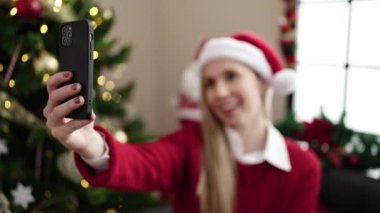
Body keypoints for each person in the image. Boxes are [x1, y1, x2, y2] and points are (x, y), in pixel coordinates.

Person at [43, 31, 321, 213]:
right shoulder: (192, 143)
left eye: (231, 76)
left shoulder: (303, 167)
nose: (219, 92)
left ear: (262, 83)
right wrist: (91, 144)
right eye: (209, 83)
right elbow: (143, 161)